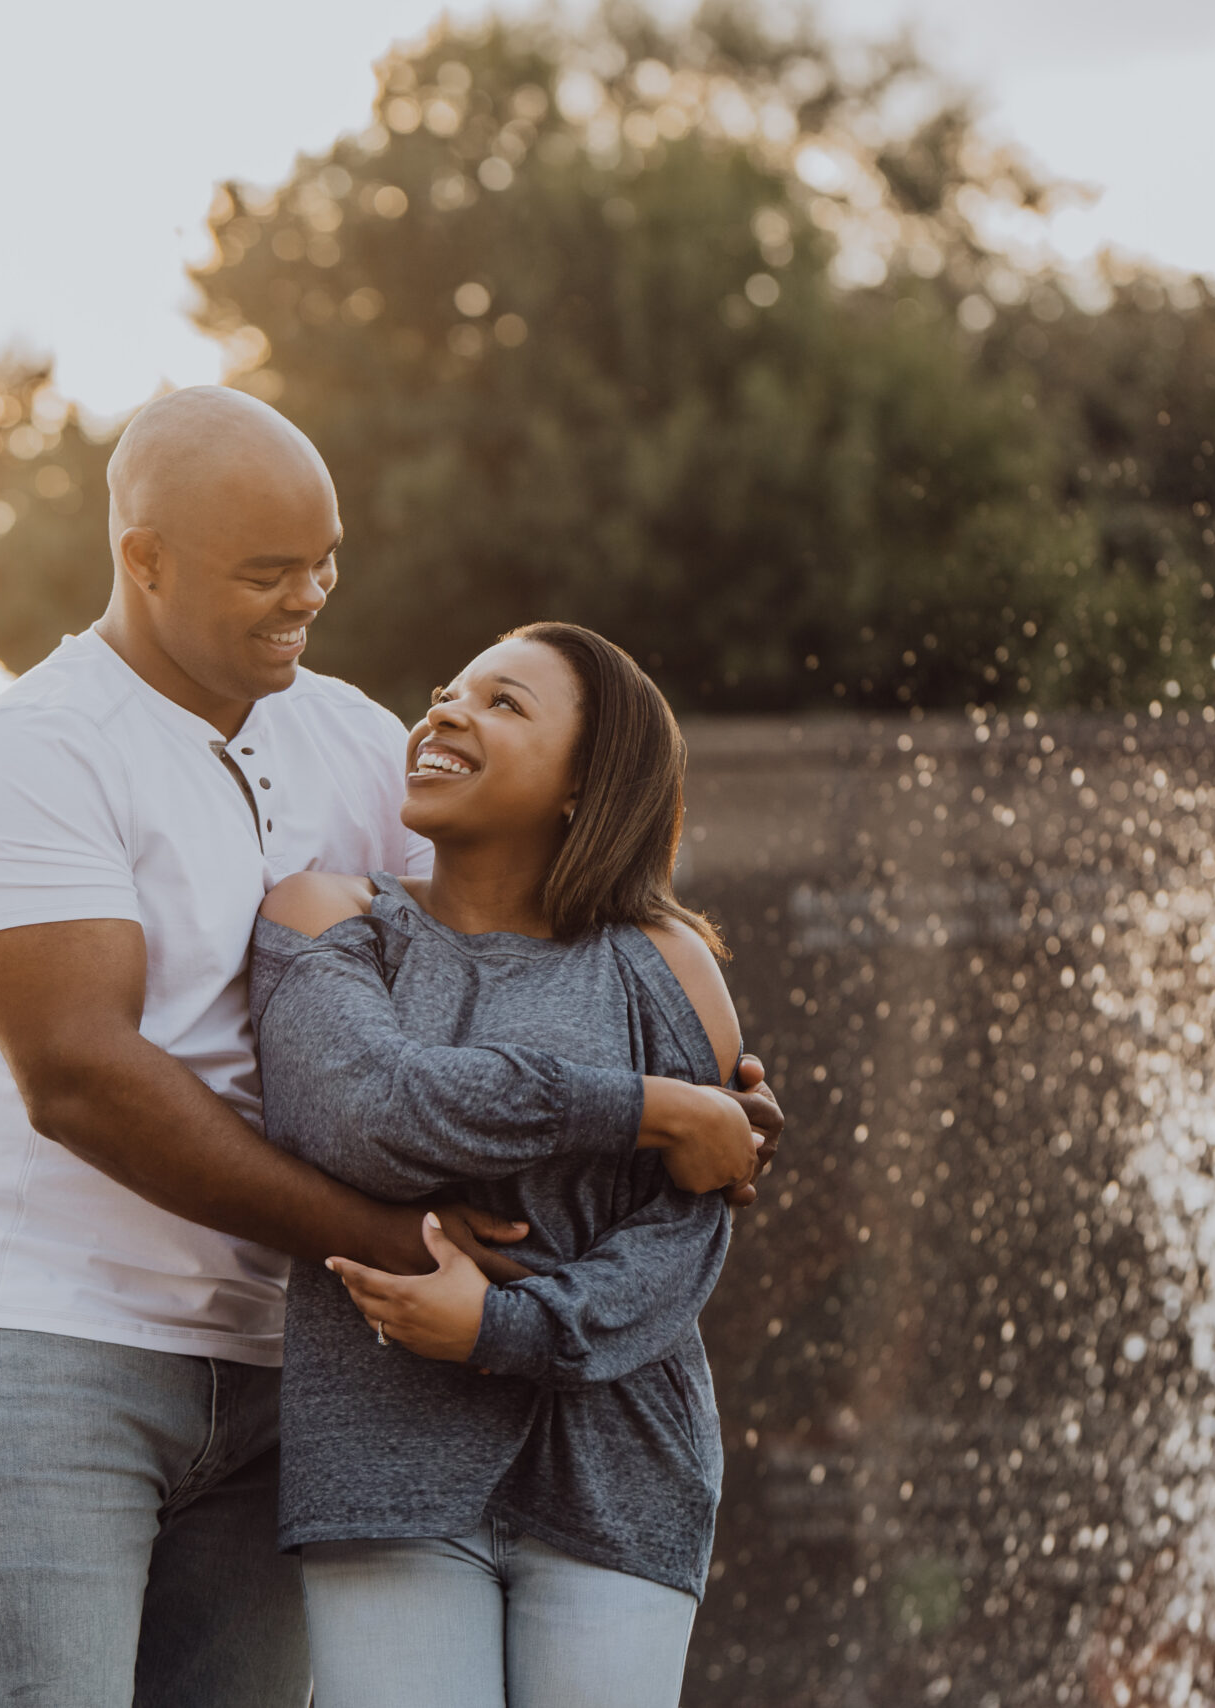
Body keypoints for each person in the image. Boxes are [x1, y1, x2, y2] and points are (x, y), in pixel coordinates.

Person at [0, 387, 784, 1707]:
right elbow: (81, 1081)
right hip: (34, 1330)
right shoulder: (30, 754)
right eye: (266, 573)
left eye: (325, 563)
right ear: (145, 560)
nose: (308, 598)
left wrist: (700, 1074)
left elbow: (505, 949)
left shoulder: (347, 736)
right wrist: (392, 1238)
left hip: (287, 1366)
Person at [250, 622, 753, 1708]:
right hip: (385, 1468)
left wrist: (507, 1329)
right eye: (447, 692)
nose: (444, 713)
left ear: (586, 782)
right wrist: (643, 1107)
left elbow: (687, 1229)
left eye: (503, 703)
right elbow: (373, 1112)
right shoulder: (326, 913)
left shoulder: (666, 963)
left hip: (623, 1470)